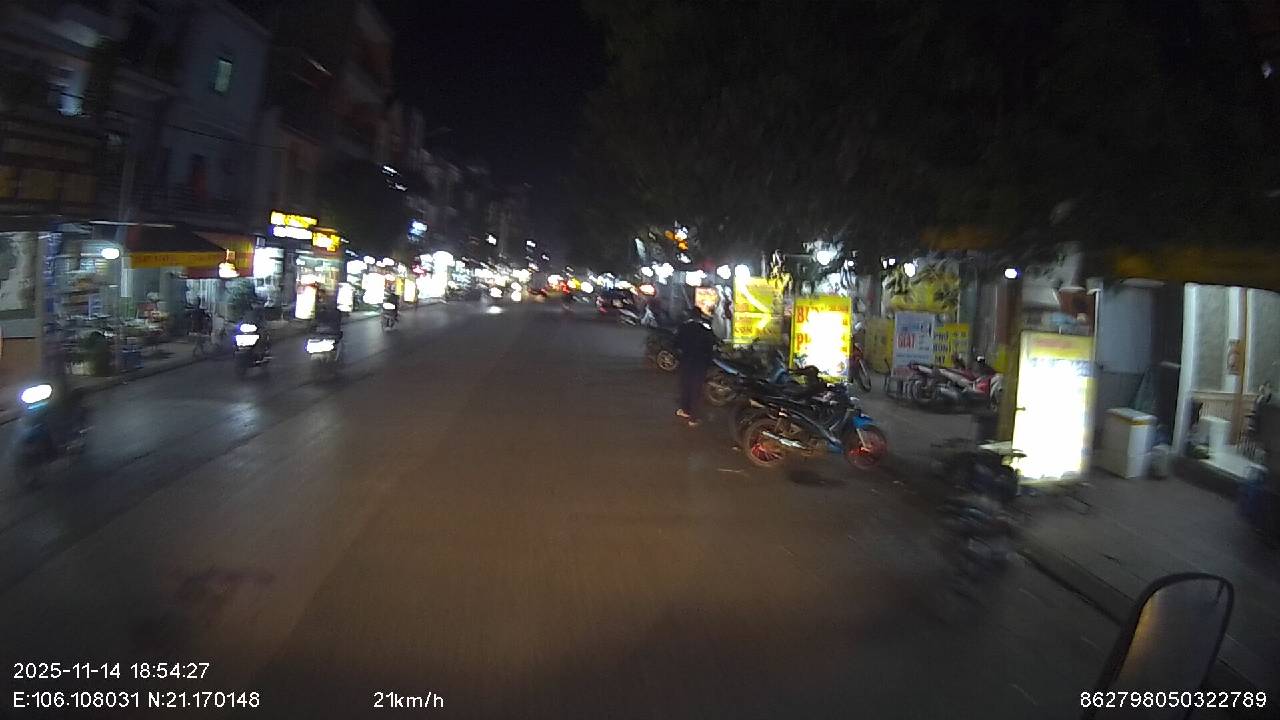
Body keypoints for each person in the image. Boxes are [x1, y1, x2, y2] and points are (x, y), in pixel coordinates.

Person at [675, 307, 717, 426]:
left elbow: (676, 344)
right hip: (699, 364)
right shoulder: (705, 329)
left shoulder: (683, 327)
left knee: (685, 386)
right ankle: (693, 419)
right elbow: (711, 346)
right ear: (700, 316)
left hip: (686, 362)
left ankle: (685, 410)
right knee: (696, 390)